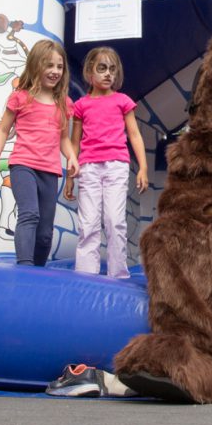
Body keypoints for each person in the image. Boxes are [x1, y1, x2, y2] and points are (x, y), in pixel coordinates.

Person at [0, 40, 78, 266]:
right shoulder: (20, 97)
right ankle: (25, 266)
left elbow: (63, 138)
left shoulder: (64, 103)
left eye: (59, 67)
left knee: (46, 231)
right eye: (49, 65)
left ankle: (38, 270)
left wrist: (72, 157)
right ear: (36, 65)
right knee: (29, 214)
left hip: (49, 170)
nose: (55, 71)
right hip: (23, 165)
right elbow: (2, 130)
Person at [68, 47, 148, 279]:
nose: (107, 74)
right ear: (89, 72)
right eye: (102, 68)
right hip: (89, 167)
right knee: (89, 224)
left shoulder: (122, 101)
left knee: (114, 221)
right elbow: (74, 143)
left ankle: (118, 274)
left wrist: (142, 167)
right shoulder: (81, 105)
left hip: (117, 166)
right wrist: (70, 176)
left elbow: (134, 134)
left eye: (112, 69)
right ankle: (85, 275)